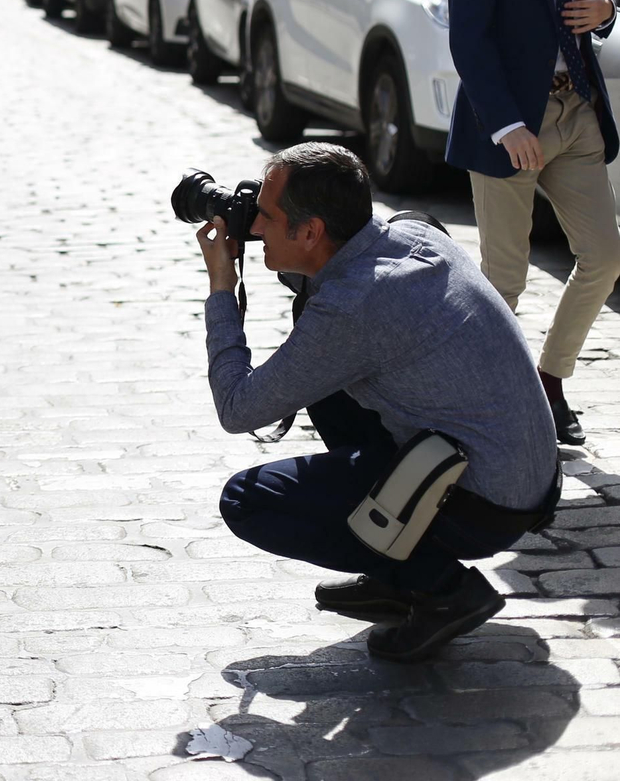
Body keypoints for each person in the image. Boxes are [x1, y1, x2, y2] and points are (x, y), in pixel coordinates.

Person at [196, 143, 559, 662]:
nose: (253, 228)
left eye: (266, 218)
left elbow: (238, 407)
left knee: (247, 501)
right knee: (318, 368)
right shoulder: (410, 233)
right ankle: (395, 574)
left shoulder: (352, 309)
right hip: (528, 476)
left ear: (312, 230)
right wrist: (265, 229)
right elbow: (322, 272)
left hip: (481, 503)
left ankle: (438, 588)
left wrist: (221, 287)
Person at [446, 0, 620, 446]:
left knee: (605, 258)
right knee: (504, 277)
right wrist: (507, 124)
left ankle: (549, 379)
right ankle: (490, 400)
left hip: (576, 108)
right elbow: (470, 35)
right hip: (511, 122)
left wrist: (606, 10)